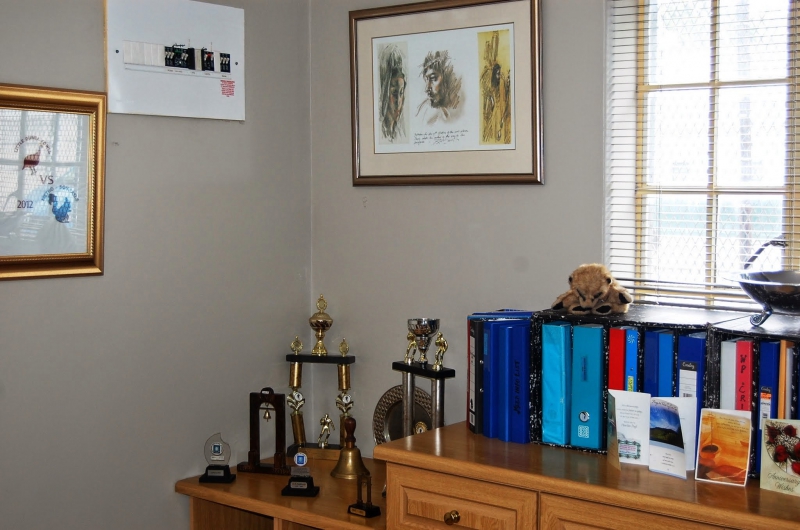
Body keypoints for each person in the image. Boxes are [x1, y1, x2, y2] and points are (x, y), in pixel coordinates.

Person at [415, 50, 462, 126]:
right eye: (426, 80)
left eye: (433, 78)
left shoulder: (456, 111)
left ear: (446, 79)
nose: (427, 88)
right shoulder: (425, 111)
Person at [378, 44, 407, 142]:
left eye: (401, 93)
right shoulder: (380, 132)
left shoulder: (400, 134)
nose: (398, 102)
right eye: (394, 93)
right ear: (385, 93)